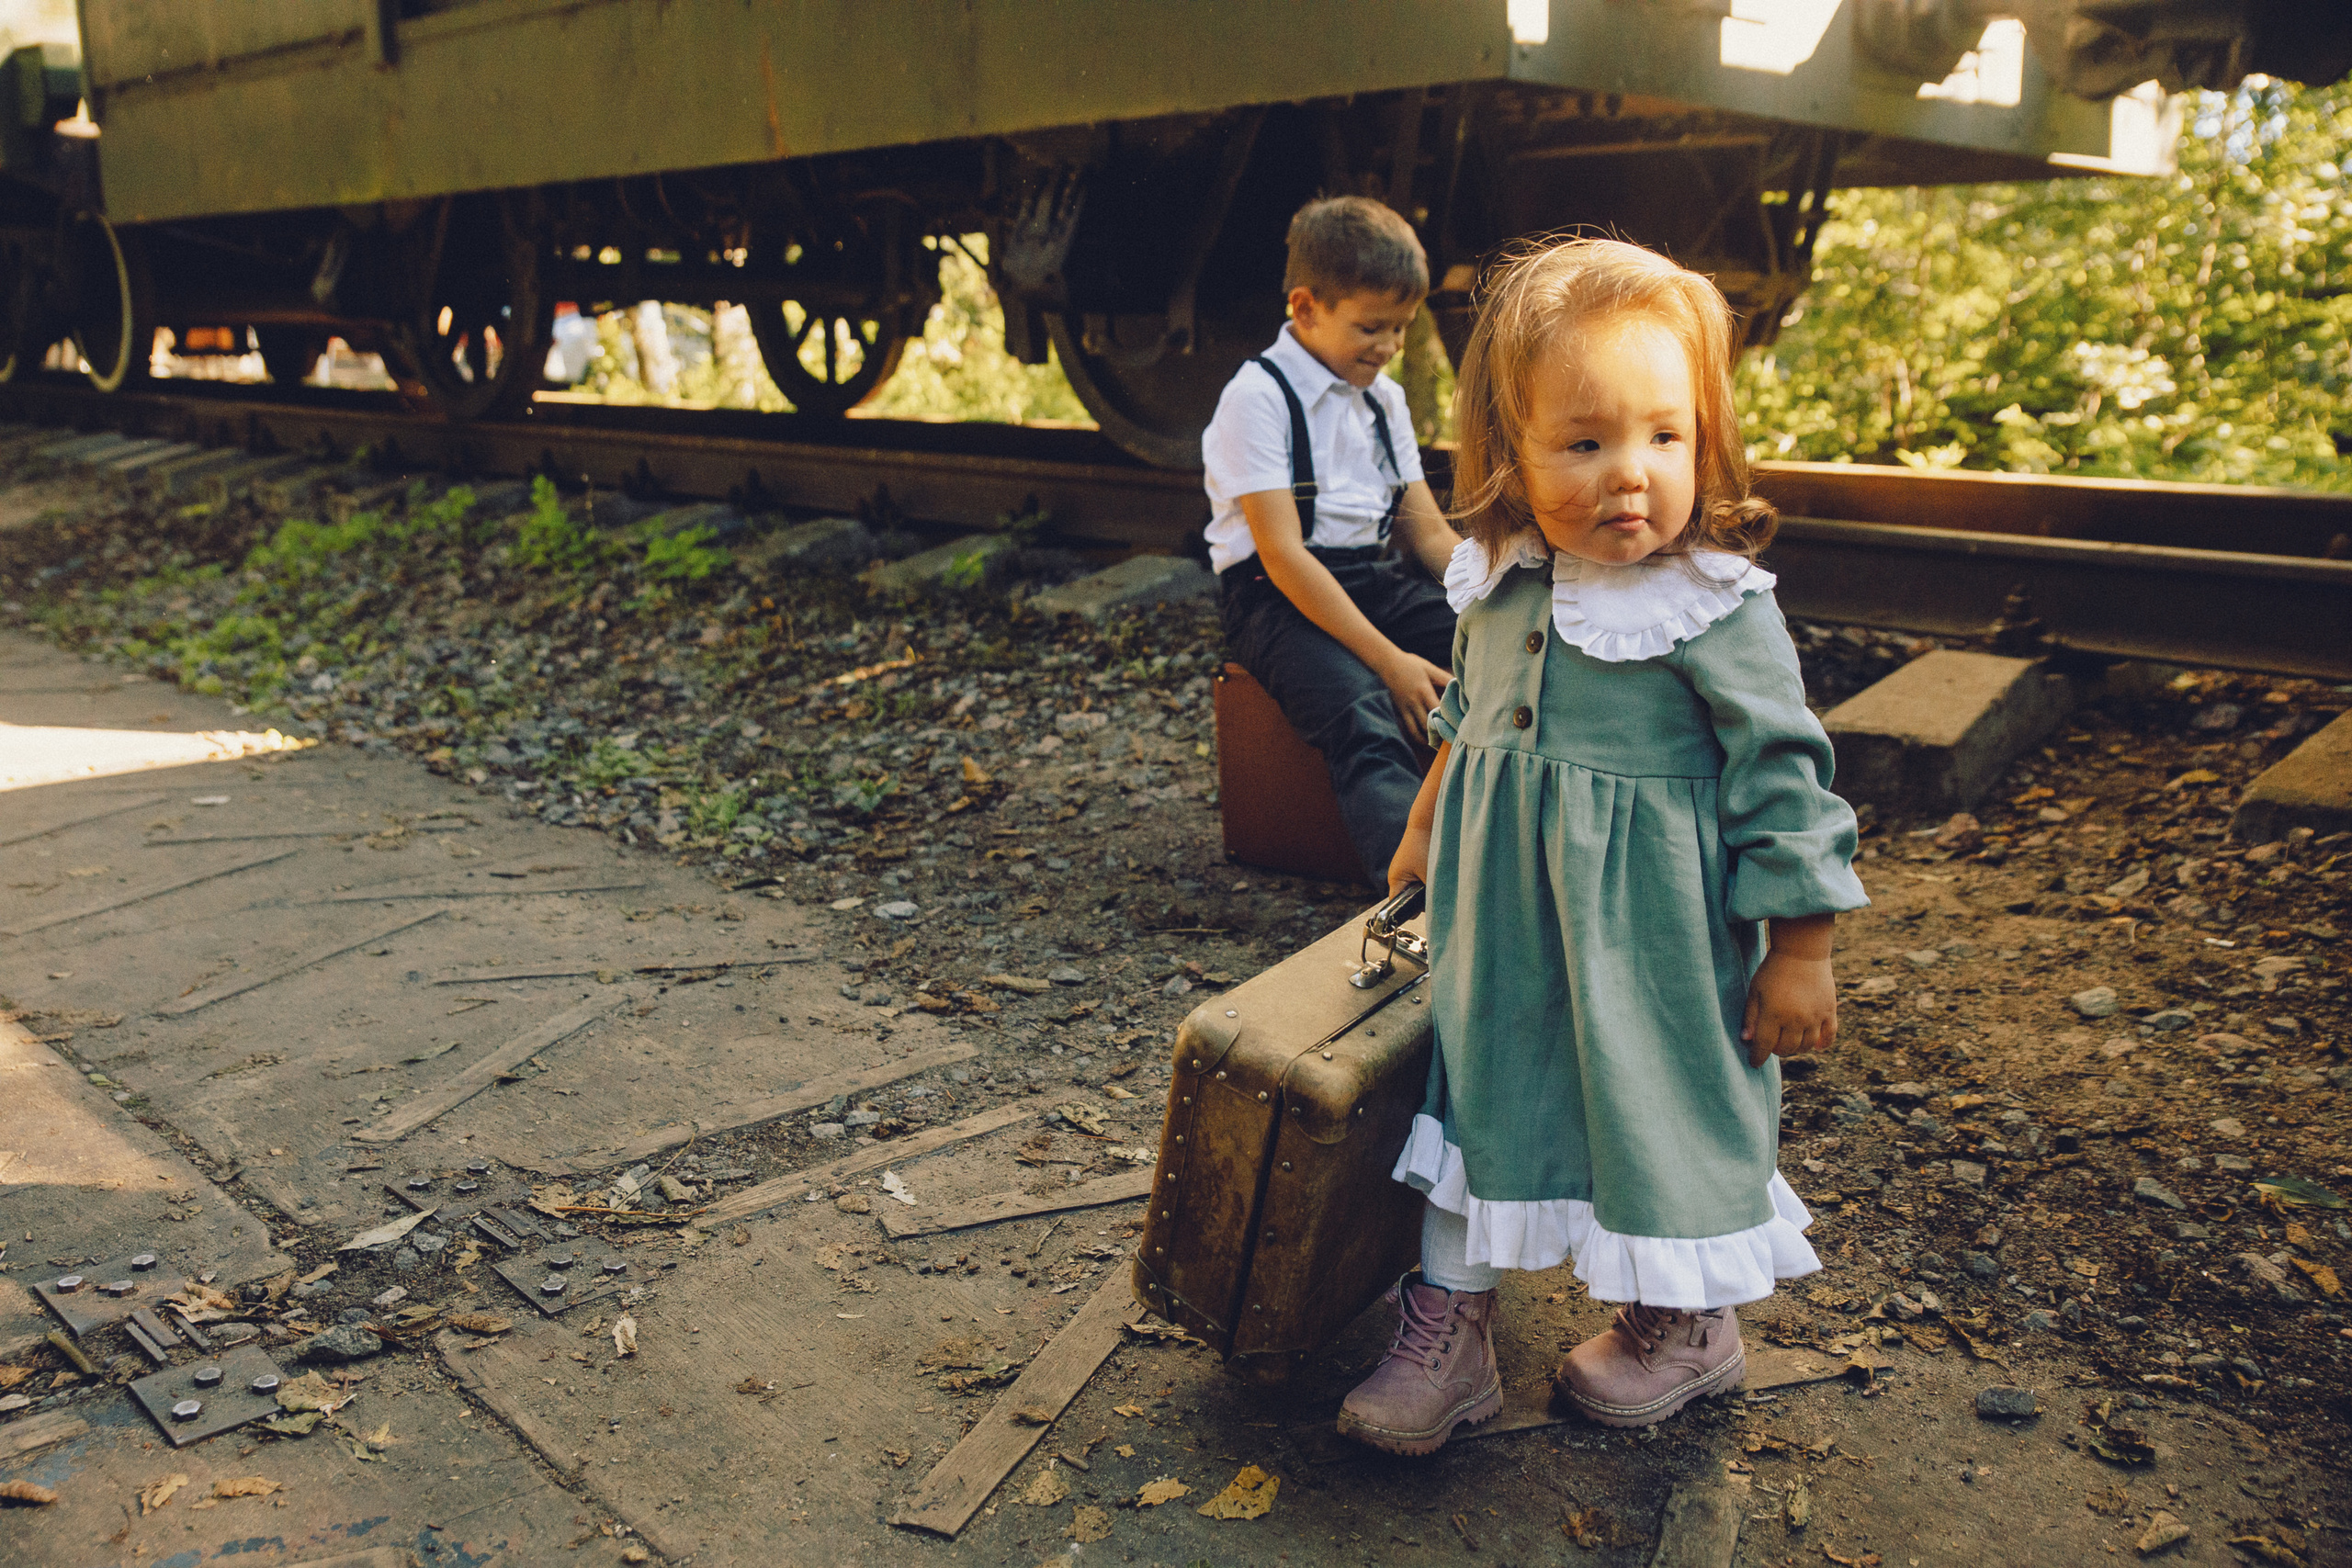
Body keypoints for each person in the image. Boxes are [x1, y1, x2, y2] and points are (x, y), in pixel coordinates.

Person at [1335, 238, 1869, 1456]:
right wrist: (1423, 829)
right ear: (1510, 448)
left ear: (1705, 437)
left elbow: (1788, 780)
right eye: (1584, 443)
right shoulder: (1503, 578)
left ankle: (1687, 1323)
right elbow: (1466, 720)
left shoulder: (1716, 602)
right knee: (1485, 1088)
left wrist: (1803, 944)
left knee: (1659, 1101)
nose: (1630, 475)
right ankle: (1452, 1324)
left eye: (1664, 439)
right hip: (1506, 916)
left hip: (1659, 938)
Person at [1203, 196, 1461, 884]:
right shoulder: (1257, 397)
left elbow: (1428, 532)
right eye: (1371, 327)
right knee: (1365, 713)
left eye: (1402, 329)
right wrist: (1391, 661)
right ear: (1306, 308)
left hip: (1368, 579)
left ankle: (1500, 852)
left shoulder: (1384, 398)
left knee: (1493, 653)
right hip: (1275, 596)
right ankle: (1417, 896)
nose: (1389, 347)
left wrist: (1503, 602)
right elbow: (1283, 555)